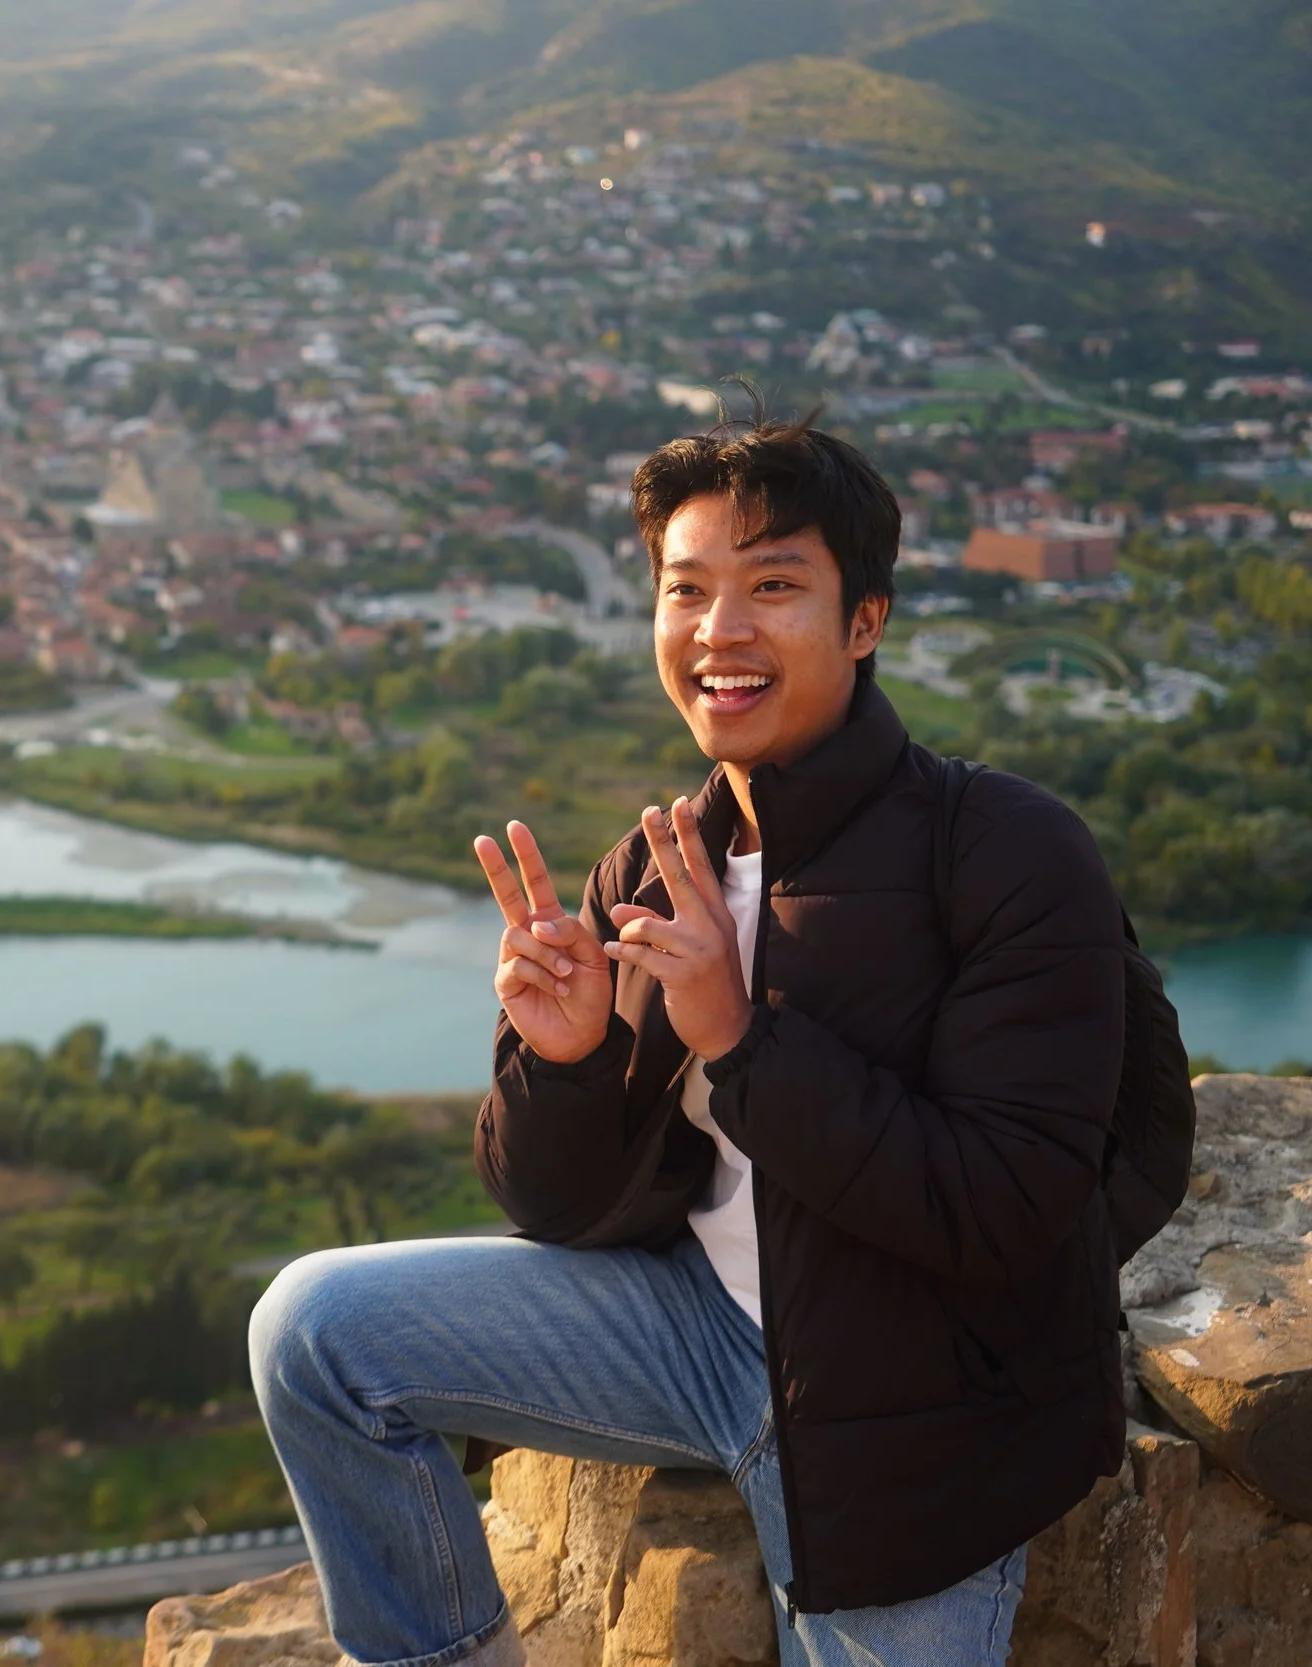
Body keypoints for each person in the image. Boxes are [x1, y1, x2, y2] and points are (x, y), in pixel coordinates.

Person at [250, 414, 1137, 1667]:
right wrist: (559, 1063)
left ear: (865, 618)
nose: (720, 630)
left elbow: (1009, 1207)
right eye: (687, 591)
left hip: (916, 1401)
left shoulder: (1002, 851)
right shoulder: (661, 866)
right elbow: (555, 1209)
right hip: (692, 1329)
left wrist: (743, 1042)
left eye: (773, 586)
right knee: (313, 1332)